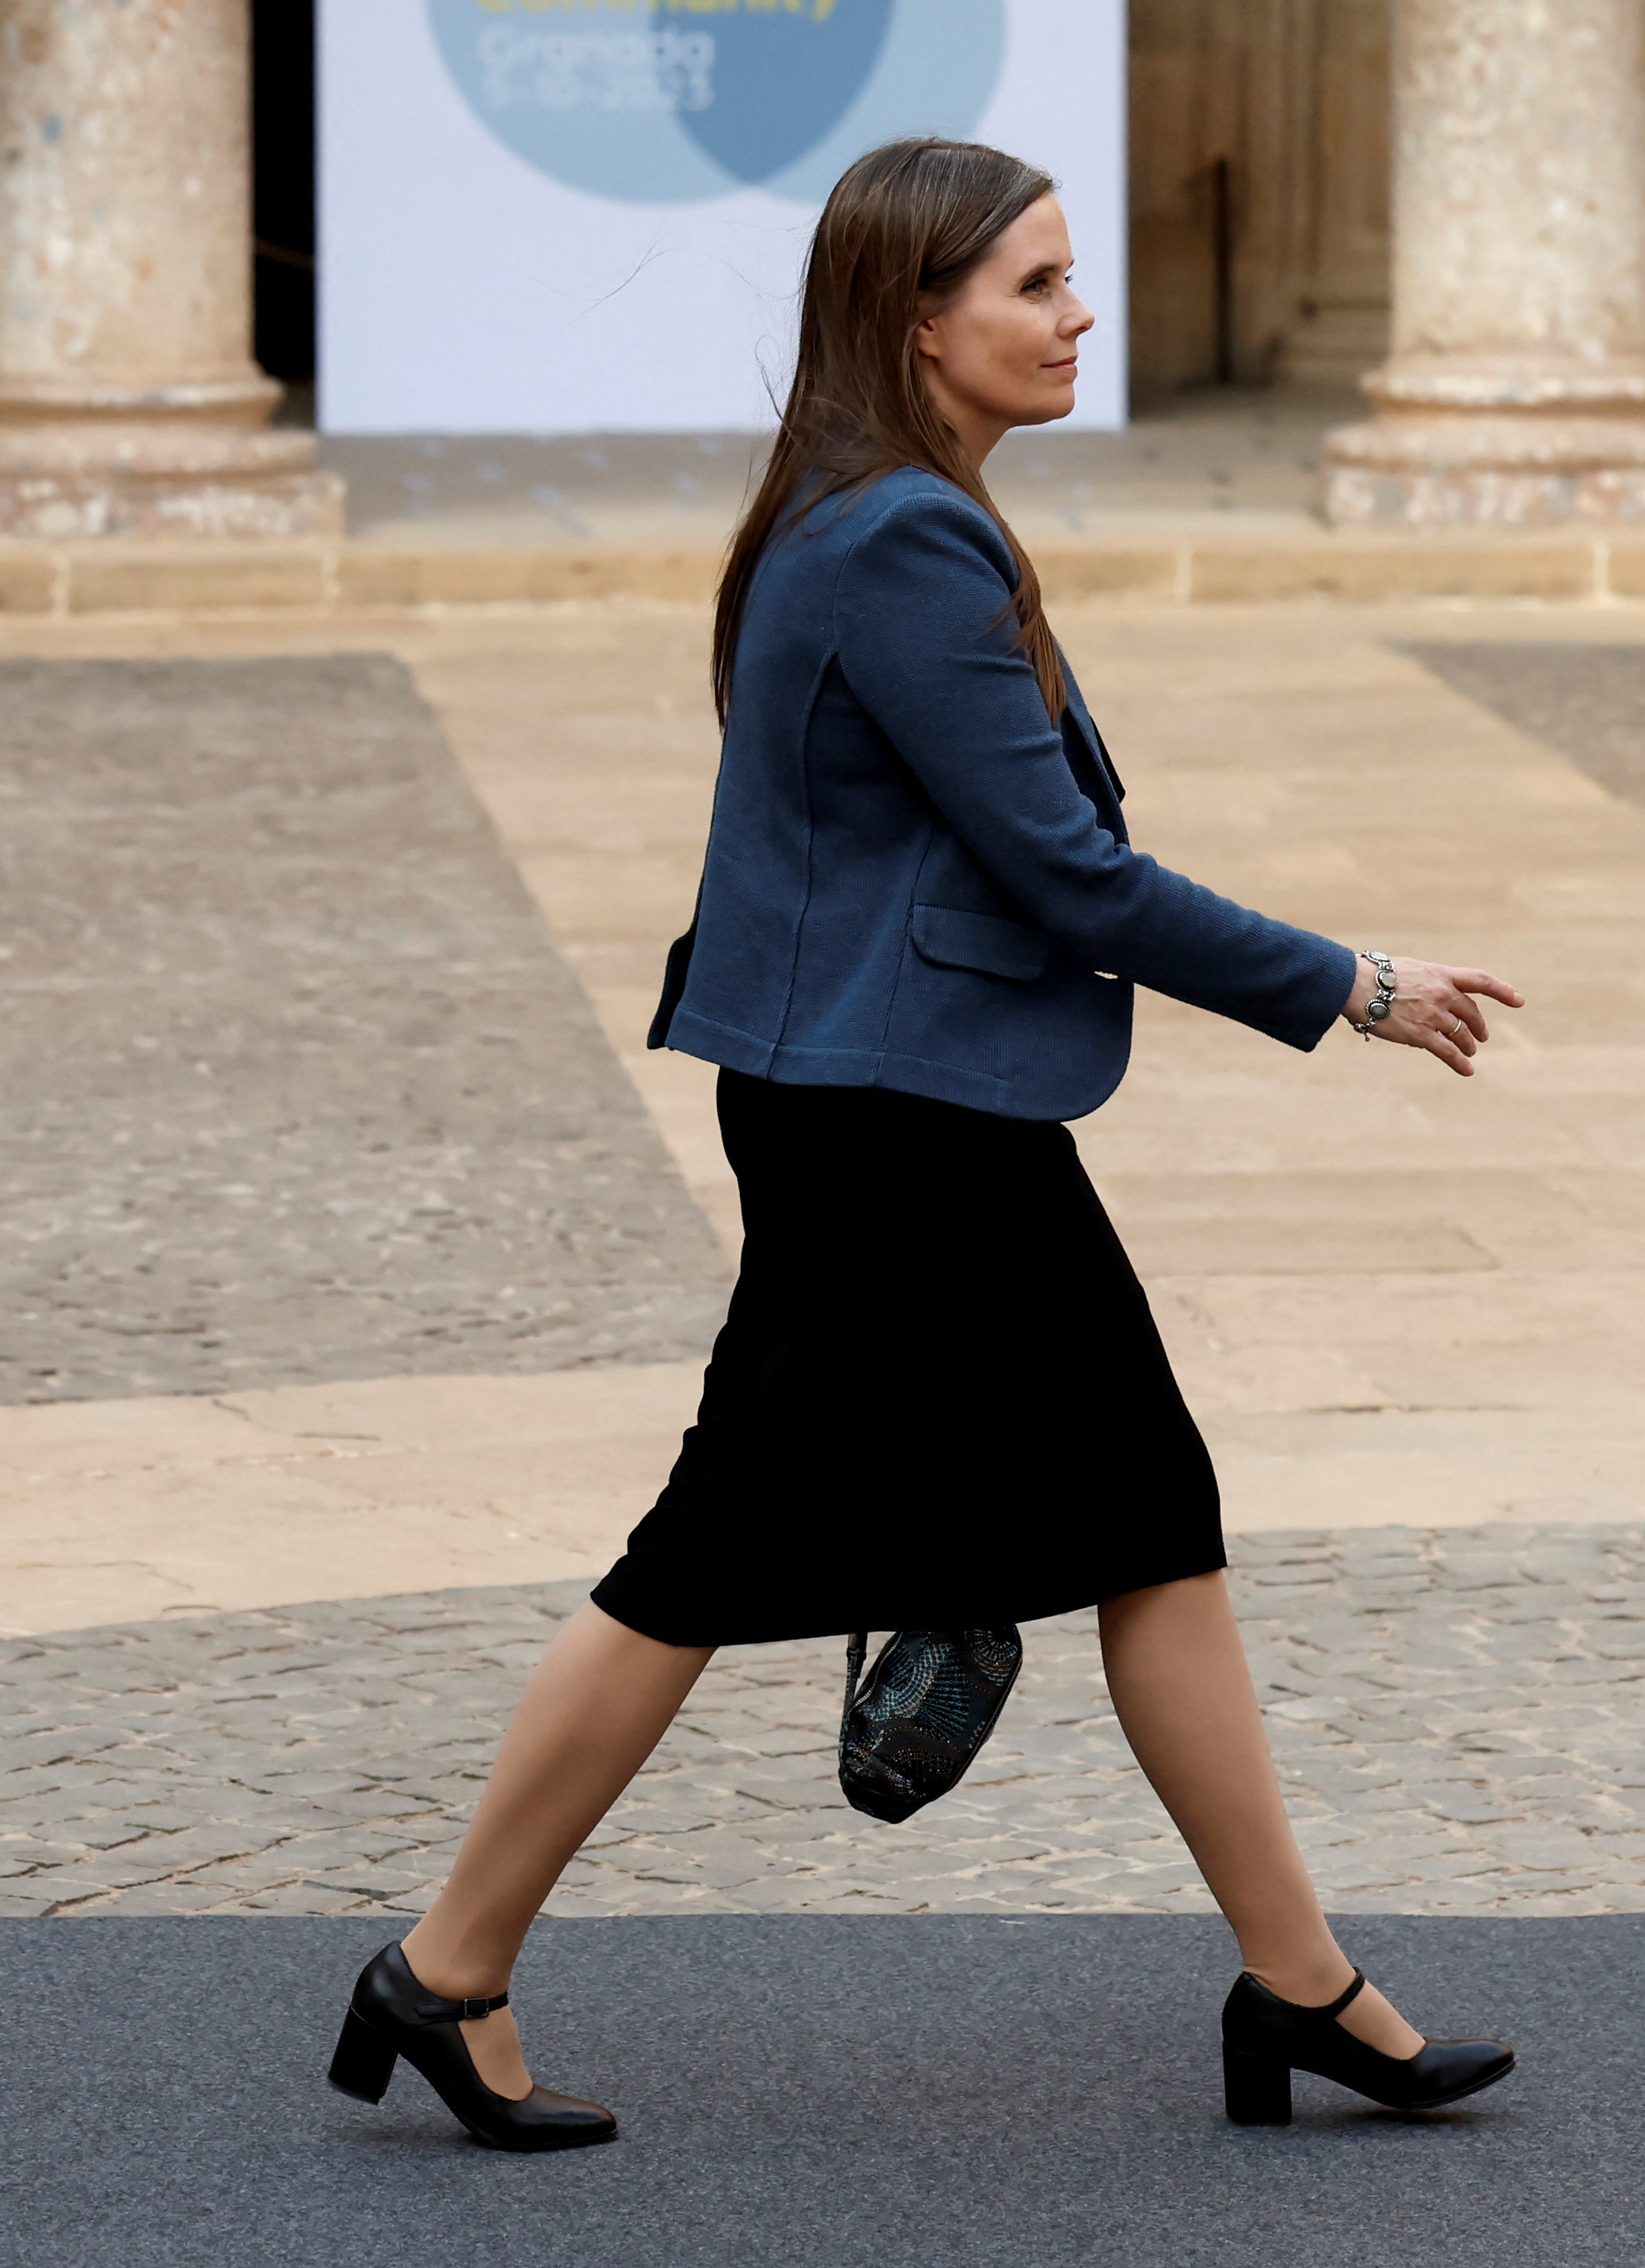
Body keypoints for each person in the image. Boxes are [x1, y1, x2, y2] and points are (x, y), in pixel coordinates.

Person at [325, 135, 1525, 2152]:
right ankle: (444, 1967)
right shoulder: (899, 541)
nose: (1078, 315)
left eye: (1071, 279)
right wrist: (1355, 982)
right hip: (890, 1124)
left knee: (1146, 1507)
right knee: (710, 1553)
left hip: (899, 1098)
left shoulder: (877, 514)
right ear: (917, 321)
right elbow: (1070, 877)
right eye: (1038, 286)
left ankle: (1301, 1980)